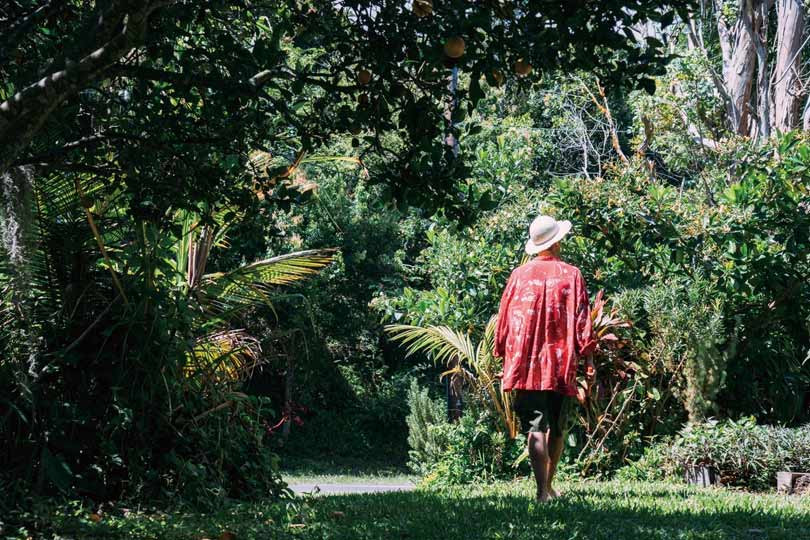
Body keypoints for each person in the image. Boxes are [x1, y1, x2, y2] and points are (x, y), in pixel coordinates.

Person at [494, 215, 595, 502]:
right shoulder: (571, 274)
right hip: (560, 364)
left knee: (535, 428)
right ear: (558, 241)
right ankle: (548, 486)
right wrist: (588, 357)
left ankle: (541, 492)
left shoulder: (518, 275)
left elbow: (504, 319)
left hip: (525, 365)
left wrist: (502, 351)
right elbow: (581, 319)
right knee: (557, 427)